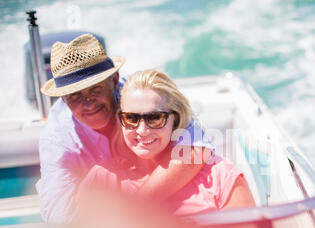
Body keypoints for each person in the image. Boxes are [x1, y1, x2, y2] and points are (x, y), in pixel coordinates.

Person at [37, 33, 214, 224]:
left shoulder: (145, 93)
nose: (87, 103)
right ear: (62, 98)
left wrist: (134, 208)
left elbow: (195, 148)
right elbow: (59, 216)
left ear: (114, 79)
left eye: (95, 89)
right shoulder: (56, 138)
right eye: (74, 96)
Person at [78, 69, 255, 215]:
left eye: (154, 118)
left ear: (175, 120)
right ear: (120, 120)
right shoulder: (101, 180)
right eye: (131, 118)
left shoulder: (221, 176)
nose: (142, 130)